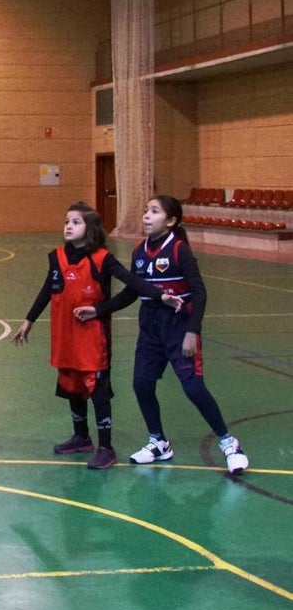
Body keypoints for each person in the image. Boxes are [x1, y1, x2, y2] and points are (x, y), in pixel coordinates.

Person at [76, 194, 250, 474]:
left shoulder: (179, 250)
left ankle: (229, 443)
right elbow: (133, 291)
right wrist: (99, 310)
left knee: (193, 388)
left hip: (179, 327)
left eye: (154, 212)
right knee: (141, 384)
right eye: (145, 210)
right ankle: (158, 442)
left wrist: (193, 331)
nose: (146, 215)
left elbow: (200, 292)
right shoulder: (139, 251)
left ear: (170, 221)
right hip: (150, 328)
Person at [12, 201, 180, 470]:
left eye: (76, 222)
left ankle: (106, 447)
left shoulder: (102, 259)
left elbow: (132, 281)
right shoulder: (56, 257)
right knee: (72, 387)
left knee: (97, 393)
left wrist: (160, 295)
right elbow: (47, 289)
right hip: (65, 336)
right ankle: (81, 437)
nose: (69, 226)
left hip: (92, 338)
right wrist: (29, 320)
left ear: (89, 228)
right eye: (67, 221)